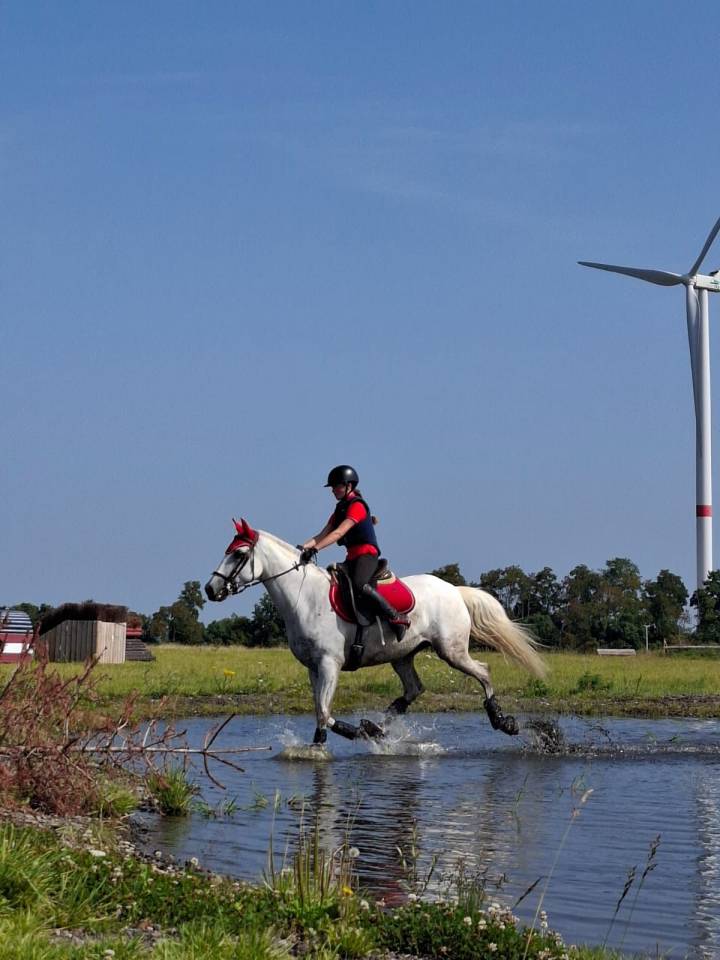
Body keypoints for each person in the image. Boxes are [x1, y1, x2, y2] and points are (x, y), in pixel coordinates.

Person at [300, 465, 410, 641]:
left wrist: (315, 549)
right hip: (351, 558)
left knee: (360, 585)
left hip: (367, 555)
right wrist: (301, 548)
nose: (334, 490)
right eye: (333, 487)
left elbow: (338, 533)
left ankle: (396, 616)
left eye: (338, 486)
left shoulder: (357, 505)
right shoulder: (339, 509)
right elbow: (322, 534)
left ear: (349, 486)